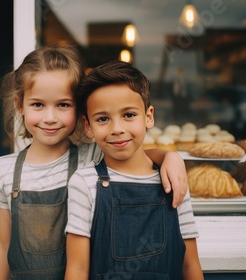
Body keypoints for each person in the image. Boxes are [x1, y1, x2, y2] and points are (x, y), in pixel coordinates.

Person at [0, 45, 190, 280]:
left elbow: (134, 154)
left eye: (63, 105)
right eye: (38, 105)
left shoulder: (90, 155)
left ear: (79, 110)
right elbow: (3, 246)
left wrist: (169, 157)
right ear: (19, 104)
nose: (50, 118)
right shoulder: (3, 170)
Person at [65, 60, 203, 279]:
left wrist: (170, 156)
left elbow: (190, 265)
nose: (117, 129)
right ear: (88, 126)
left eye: (129, 115)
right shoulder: (84, 183)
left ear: (148, 117)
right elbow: (77, 269)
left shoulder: (172, 179)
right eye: (103, 119)